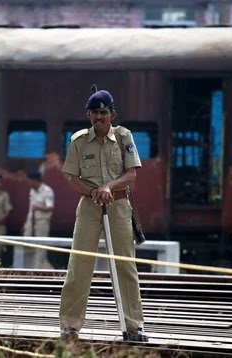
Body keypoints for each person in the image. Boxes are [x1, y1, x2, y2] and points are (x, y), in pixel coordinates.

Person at [59, 86, 148, 342]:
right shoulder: (78, 141)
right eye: (94, 114)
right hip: (89, 207)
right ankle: (70, 326)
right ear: (88, 115)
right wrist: (94, 192)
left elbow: (131, 175)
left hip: (119, 207)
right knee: (79, 265)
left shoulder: (123, 137)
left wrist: (108, 186)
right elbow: (71, 177)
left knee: (125, 266)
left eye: (103, 113)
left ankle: (134, 326)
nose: (99, 118)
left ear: (112, 114)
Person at [22, 171, 55, 269]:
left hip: (42, 223)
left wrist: (38, 207)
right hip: (30, 222)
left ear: (35, 180)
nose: (28, 183)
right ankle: (27, 270)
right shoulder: (32, 190)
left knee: (40, 249)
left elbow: (50, 208)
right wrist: (25, 224)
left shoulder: (47, 191)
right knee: (26, 245)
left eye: (29, 181)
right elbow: (30, 209)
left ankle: (38, 272)